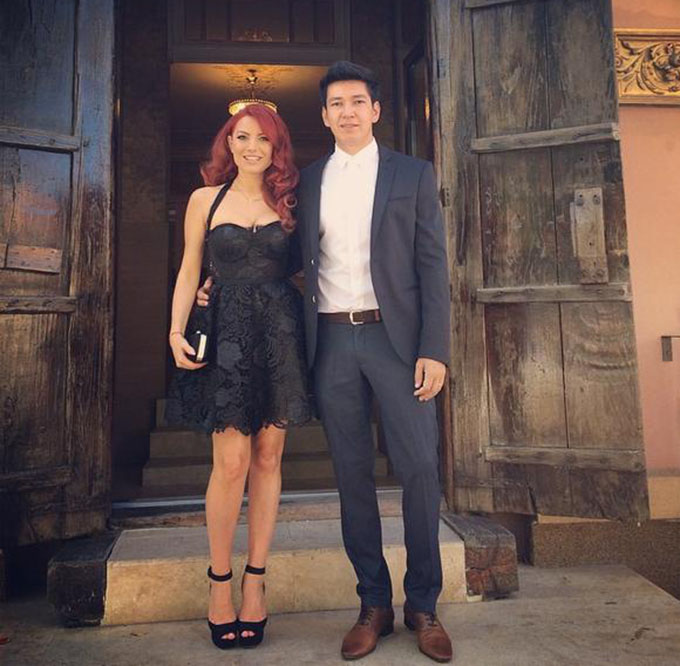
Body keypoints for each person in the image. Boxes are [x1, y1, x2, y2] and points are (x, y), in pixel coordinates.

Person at [199, 60, 453, 663]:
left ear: (375, 110)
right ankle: (373, 605)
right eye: (337, 103)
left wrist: (435, 349)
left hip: (398, 342)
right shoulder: (305, 183)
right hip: (333, 343)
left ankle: (423, 605)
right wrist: (219, 282)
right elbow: (280, 256)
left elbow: (433, 265)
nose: (347, 111)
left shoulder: (413, 174)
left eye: (357, 101)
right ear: (324, 115)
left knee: (420, 469)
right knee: (352, 475)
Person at [167, 103, 312, 650]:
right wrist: (175, 330)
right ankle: (220, 581)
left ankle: (256, 580)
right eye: (242, 137)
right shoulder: (204, 199)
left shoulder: (292, 202)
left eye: (263, 139)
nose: (252, 147)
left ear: (277, 148)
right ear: (228, 142)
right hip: (226, 334)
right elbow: (189, 269)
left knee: (269, 459)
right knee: (230, 463)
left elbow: (313, 267)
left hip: (279, 335)